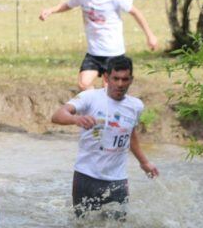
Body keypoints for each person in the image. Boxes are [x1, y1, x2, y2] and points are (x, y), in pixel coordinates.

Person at [50, 55, 159, 218]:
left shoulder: (135, 106)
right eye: (116, 79)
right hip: (86, 177)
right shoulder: (90, 97)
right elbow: (57, 115)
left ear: (131, 80)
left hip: (118, 180)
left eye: (125, 79)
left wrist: (144, 162)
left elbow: (130, 134)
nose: (120, 84)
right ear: (107, 78)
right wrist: (76, 119)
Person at [38, 0, 159, 91]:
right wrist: (50, 10)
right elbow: (68, 5)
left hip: (114, 53)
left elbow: (136, 12)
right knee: (83, 84)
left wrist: (150, 35)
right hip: (93, 53)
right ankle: (96, 105)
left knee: (110, 90)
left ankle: (105, 107)